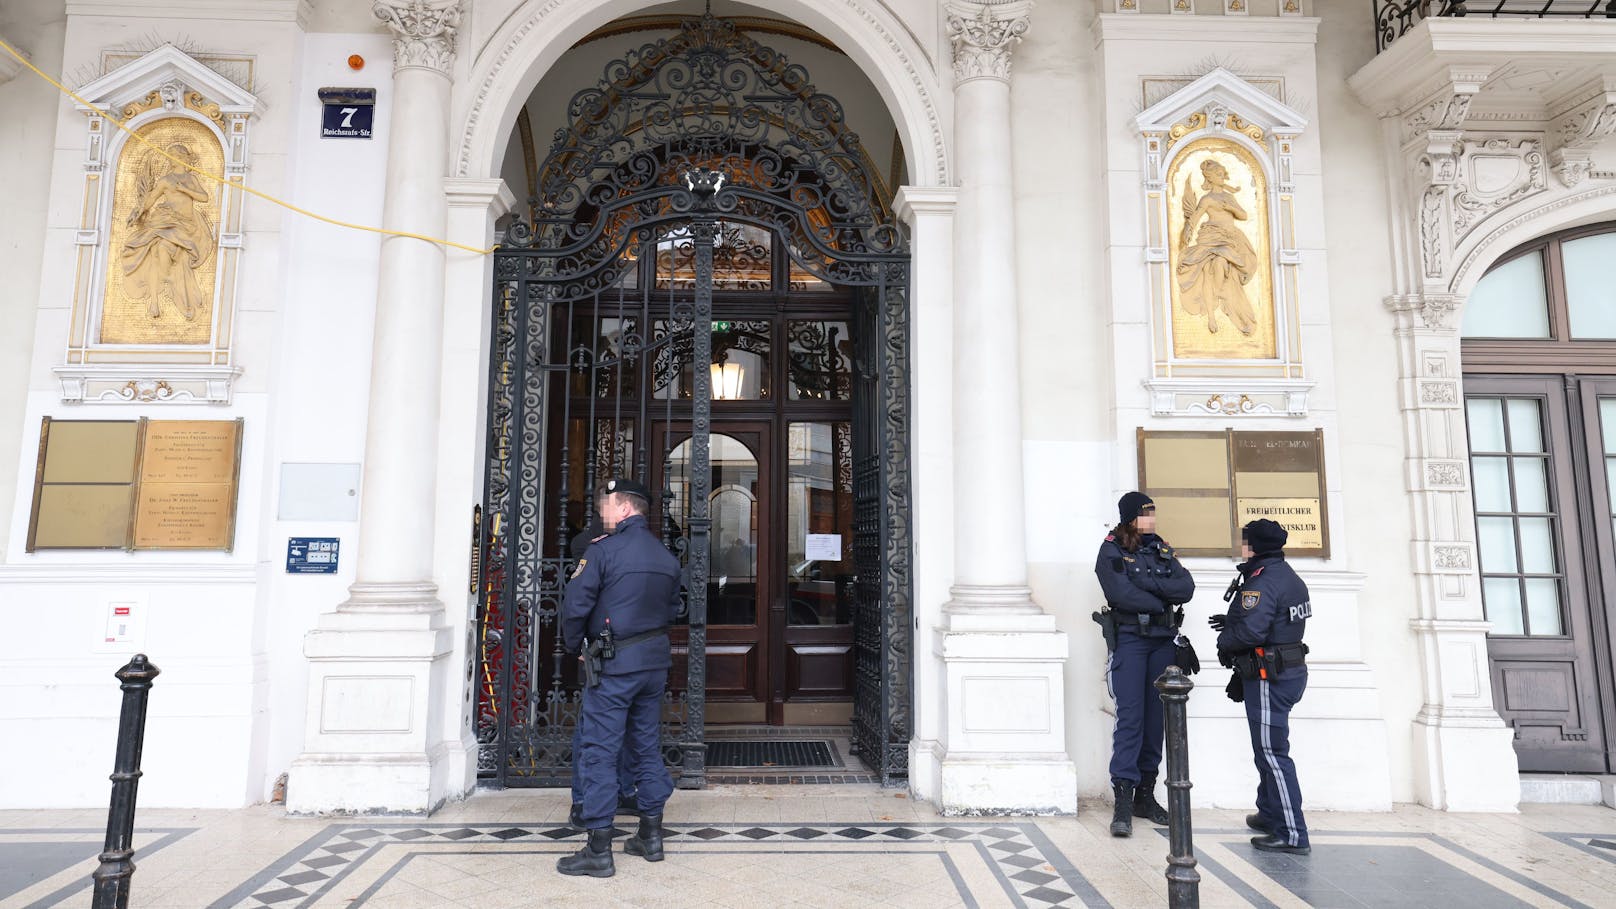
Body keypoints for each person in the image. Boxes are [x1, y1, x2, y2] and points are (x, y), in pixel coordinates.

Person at [557, 478, 683, 878]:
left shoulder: (603, 553)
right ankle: (650, 834)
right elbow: (674, 608)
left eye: (605, 508)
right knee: (646, 745)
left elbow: (575, 606)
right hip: (653, 663)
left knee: (600, 748)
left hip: (613, 665)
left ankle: (597, 846)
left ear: (624, 508)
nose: (601, 515)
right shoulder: (666, 557)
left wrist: (575, 645)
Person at [1095, 492, 1195, 837]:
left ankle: (1145, 796)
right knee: (1131, 718)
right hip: (1132, 640)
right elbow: (1121, 594)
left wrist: (1149, 585)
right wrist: (1160, 596)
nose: (1151, 518)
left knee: (1156, 721)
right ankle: (1123, 797)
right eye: (1146, 513)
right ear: (1130, 516)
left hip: (1163, 641)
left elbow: (1185, 588)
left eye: (1153, 512)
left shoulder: (1162, 550)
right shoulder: (1112, 549)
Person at [1211, 518, 1311, 855]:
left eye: (1244, 541)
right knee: (1267, 749)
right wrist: (1234, 620)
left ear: (1253, 546)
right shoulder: (1287, 576)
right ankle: (1269, 813)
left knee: (1272, 753)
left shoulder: (1263, 582)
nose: (1241, 546)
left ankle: (1292, 833)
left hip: (1270, 676)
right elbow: (1277, 621)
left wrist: (1226, 639)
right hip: (1287, 671)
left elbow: (1253, 632)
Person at [566, 513, 638, 830]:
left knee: (622, 728)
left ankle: (622, 790)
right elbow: (580, 600)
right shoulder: (589, 543)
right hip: (598, 651)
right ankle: (583, 800)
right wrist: (580, 644)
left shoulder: (631, 545)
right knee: (592, 732)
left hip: (625, 652)